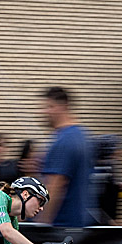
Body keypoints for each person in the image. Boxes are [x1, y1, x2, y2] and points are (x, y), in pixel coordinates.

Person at [37, 87, 94, 227]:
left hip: (61, 226)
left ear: (63, 107)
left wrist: (42, 225)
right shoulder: (83, 136)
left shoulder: (64, 141)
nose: (44, 112)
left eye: (50, 107)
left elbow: (55, 185)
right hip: (79, 224)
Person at [89, 135, 122, 226]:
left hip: (108, 221)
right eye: (118, 148)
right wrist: (108, 220)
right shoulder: (100, 169)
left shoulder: (110, 167)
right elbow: (95, 200)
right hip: (100, 223)